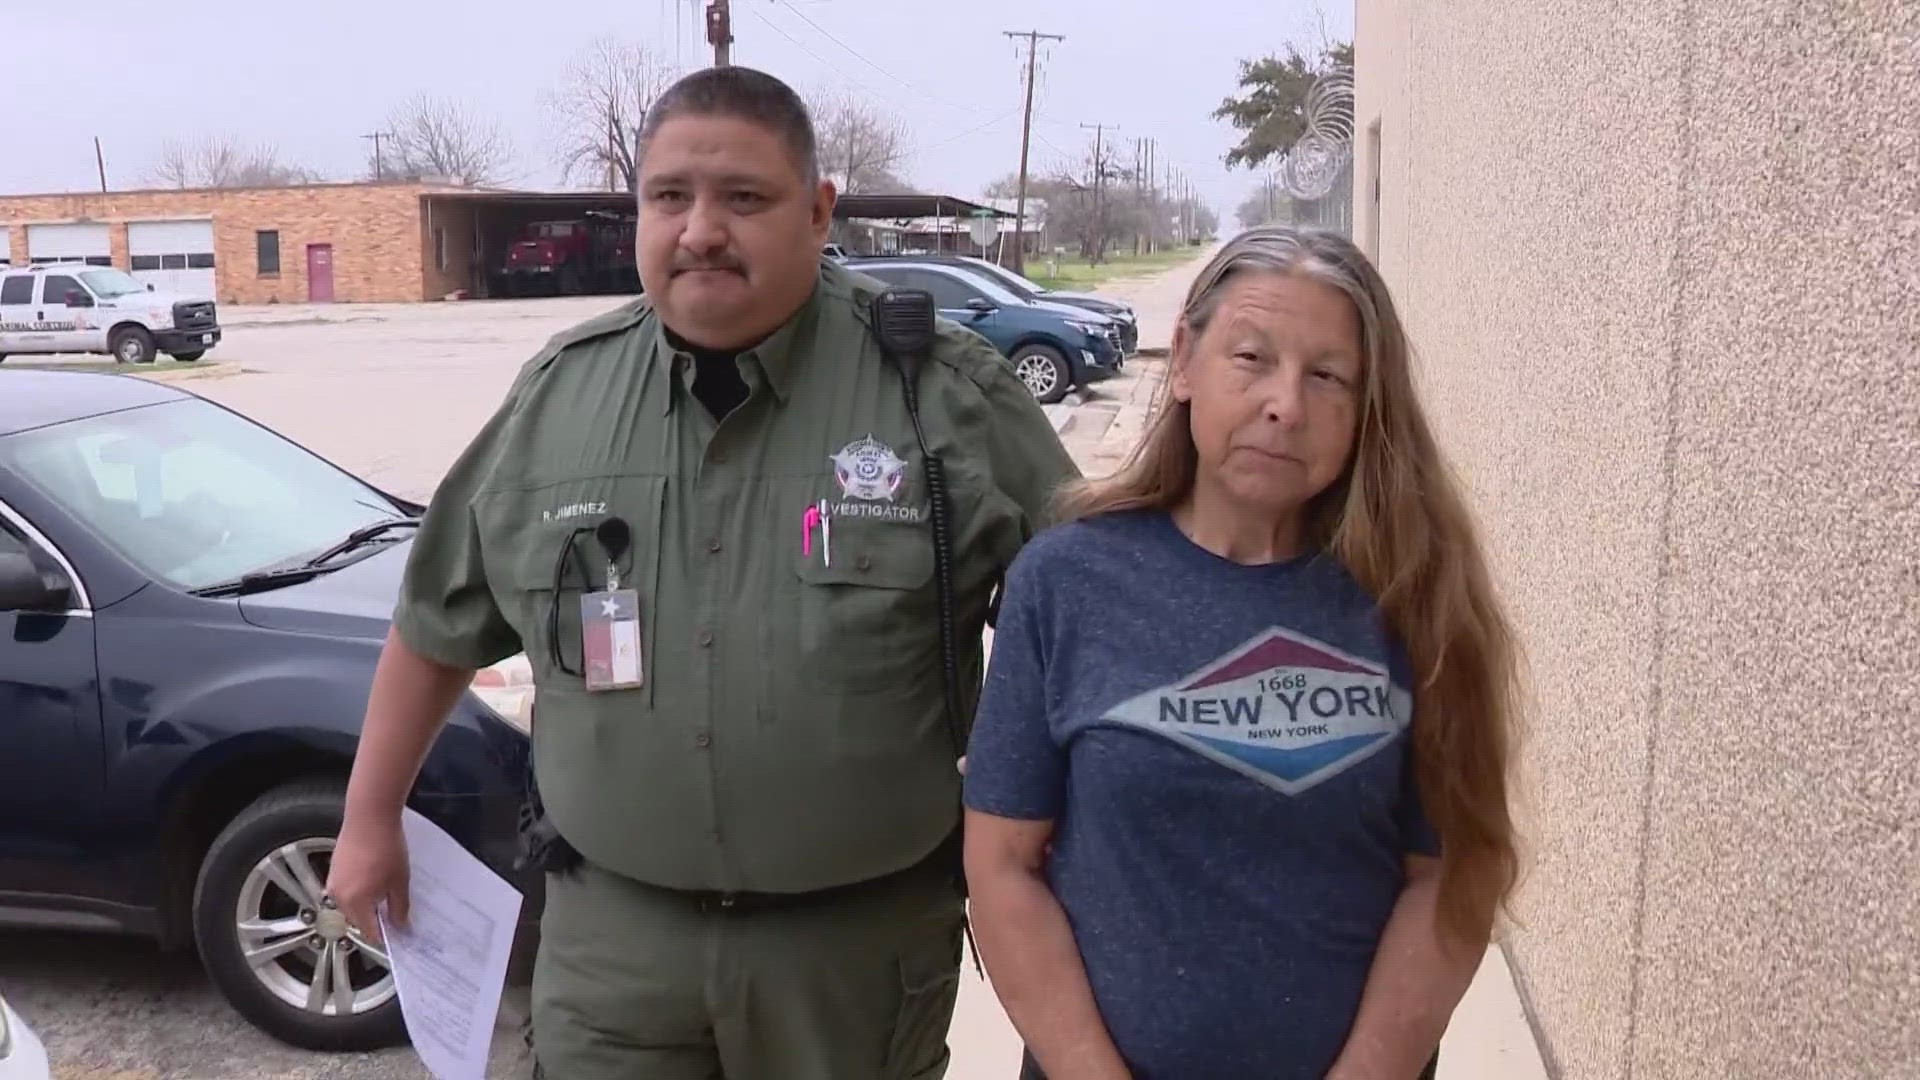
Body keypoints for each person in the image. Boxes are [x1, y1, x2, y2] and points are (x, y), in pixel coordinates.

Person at [325, 65, 1079, 1080]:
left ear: (819, 212)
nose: (700, 230)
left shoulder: (942, 394)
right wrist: (369, 821)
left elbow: (1092, 629)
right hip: (613, 951)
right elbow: (436, 623)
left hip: (851, 958)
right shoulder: (561, 397)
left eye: (745, 198)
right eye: (669, 196)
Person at [961, 226, 1521, 1080]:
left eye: (1327, 376)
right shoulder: (1065, 584)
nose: (1285, 405)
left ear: (1367, 405)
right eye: (1251, 357)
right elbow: (1003, 867)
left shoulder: (1417, 599)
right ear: (1184, 361)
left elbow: (1452, 877)